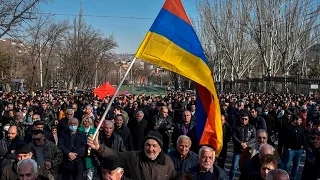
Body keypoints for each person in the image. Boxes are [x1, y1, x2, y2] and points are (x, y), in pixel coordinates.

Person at [87, 130, 176, 180]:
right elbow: (116, 155)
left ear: (160, 148)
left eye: (154, 146)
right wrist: (99, 148)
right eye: (148, 145)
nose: (150, 149)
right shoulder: (134, 157)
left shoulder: (167, 162)